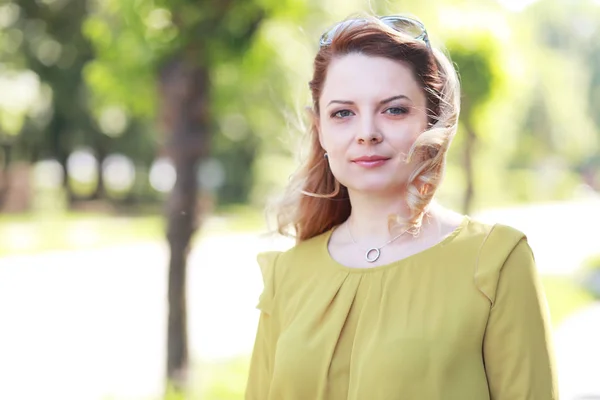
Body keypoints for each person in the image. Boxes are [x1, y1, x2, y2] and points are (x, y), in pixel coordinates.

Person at [245, 14, 558, 400]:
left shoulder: (495, 262)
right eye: (343, 113)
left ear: (432, 119)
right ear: (320, 130)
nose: (367, 133)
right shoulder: (288, 275)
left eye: (393, 110)